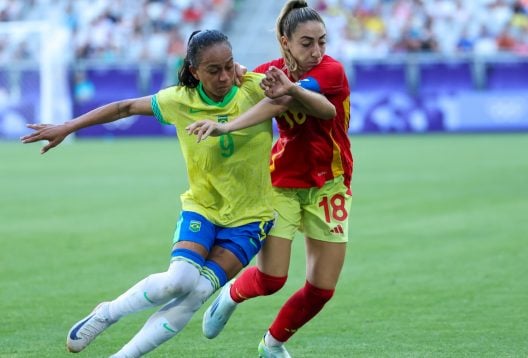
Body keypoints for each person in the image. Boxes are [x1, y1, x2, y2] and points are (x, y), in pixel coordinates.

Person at [20, 29, 308, 358]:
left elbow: (293, 98)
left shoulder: (254, 88)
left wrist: (260, 78)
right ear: (194, 71)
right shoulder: (179, 101)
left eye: (229, 66)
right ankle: (107, 312)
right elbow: (123, 107)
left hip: (250, 218)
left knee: (196, 292)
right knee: (177, 281)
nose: (225, 76)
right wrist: (68, 126)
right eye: (213, 70)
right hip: (202, 207)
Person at [189, 1, 353, 357]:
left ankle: (272, 344)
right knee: (271, 279)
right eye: (307, 43)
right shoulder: (268, 72)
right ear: (286, 42)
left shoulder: (331, 71)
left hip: (331, 184)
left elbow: (303, 102)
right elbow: (234, 81)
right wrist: (236, 76)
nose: (317, 51)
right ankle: (230, 295)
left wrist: (283, 91)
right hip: (281, 184)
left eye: (322, 41)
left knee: (322, 289)